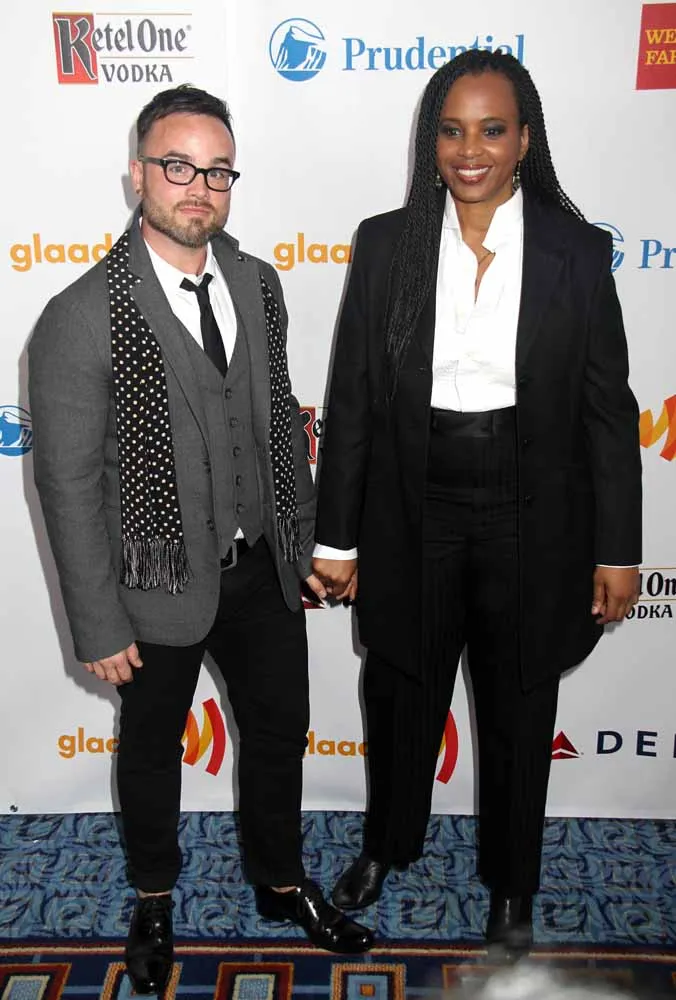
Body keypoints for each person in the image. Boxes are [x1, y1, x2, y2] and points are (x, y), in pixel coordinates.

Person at [28, 85, 372, 995]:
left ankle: (280, 881)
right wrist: (98, 621)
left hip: (260, 568)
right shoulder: (79, 314)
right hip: (153, 584)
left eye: (218, 171)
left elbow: (278, 426)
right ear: (138, 174)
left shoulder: (257, 282)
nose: (200, 187)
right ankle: (153, 896)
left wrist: (304, 542)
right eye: (178, 166)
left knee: (278, 733)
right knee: (151, 751)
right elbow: (66, 483)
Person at [313, 50, 641, 956]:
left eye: (492, 130)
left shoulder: (577, 251)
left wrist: (618, 548)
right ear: (431, 142)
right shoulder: (387, 243)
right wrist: (336, 537)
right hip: (412, 503)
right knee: (401, 690)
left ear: (525, 140)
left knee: (518, 704)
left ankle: (513, 882)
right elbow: (352, 401)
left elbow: (608, 412)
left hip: (532, 511)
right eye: (452, 131)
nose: (471, 150)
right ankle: (387, 846)